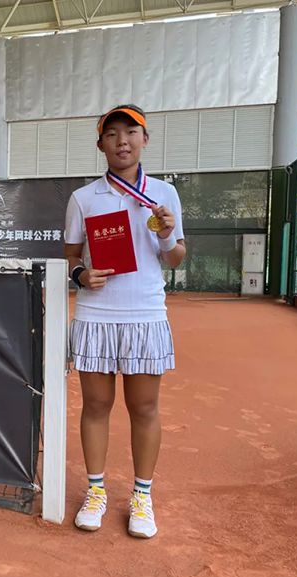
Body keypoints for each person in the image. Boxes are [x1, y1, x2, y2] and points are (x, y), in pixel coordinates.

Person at [64, 104, 186, 538]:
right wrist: (81, 275)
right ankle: (96, 491)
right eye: (112, 134)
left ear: (144, 140)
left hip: (146, 315)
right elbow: (71, 256)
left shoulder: (165, 194)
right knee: (96, 406)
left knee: (145, 408)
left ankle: (142, 496)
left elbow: (175, 258)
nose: (122, 141)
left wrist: (166, 233)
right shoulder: (83, 198)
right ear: (100, 145)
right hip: (96, 315)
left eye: (131, 132)